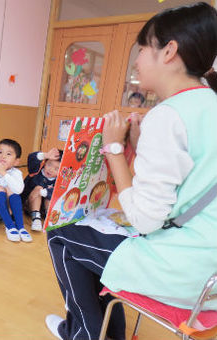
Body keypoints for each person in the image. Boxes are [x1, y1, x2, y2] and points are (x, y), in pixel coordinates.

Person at [45, 3, 217, 339]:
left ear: (169, 51)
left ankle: (83, 333)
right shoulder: (209, 103)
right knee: (94, 234)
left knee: (62, 232)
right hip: (209, 264)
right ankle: (109, 331)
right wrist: (138, 148)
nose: (137, 60)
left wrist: (114, 151)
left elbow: (146, 220)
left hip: (182, 269)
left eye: (142, 49)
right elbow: (188, 182)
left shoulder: (167, 116)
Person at [21, 148, 62, 231]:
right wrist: (45, 155)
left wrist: (47, 192)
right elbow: (32, 158)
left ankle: (50, 218)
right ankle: (36, 218)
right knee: (39, 189)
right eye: (49, 164)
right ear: (45, 162)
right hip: (29, 204)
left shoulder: (59, 180)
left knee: (50, 195)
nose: (51, 169)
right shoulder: (36, 170)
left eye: (56, 169)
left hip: (43, 210)